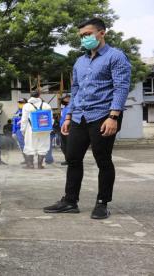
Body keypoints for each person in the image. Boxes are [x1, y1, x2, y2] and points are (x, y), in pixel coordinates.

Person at [44, 18, 131, 219]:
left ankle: (102, 203)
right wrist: (69, 116)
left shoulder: (115, 56)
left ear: (102, 33)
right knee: (73, 158)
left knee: (103, 159)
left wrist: (113, 116)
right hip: (79, 116)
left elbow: (121, 87)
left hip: (103, 115)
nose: (85, 38)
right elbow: (75, 90)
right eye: (82, 36)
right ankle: (70, 201)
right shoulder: (80, 61)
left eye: (88, 34)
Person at [20, 90, 53, 169]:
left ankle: (30, 165)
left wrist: (23, 130)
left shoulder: (27, 106)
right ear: (39, 95)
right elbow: (51, 119)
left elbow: (24, 119)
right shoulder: (46, 105)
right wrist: (49, 129)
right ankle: (40, 165)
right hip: (44, 128)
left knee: (30, 146)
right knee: (43, 146)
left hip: (31, 129)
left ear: (30, 96)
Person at [12, 98, 27, 164]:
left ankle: (29, 159)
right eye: (19, 103)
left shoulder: (27, 111)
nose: (20, 104)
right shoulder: (17, 112)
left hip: (26, 130)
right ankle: (26, 159)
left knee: (26, 145)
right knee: (21, 146)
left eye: (22, 103)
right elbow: (14, 122)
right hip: (18, 131)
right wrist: (13, 132)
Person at [59, 94, 71, 165]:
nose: (62, 100)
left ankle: (69, 160)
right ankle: (68, 159)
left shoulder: (70, 107)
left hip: (67, 128)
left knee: (67, 145)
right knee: (63, 146)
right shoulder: (65, 107)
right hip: (62, 128)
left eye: (63, 99)